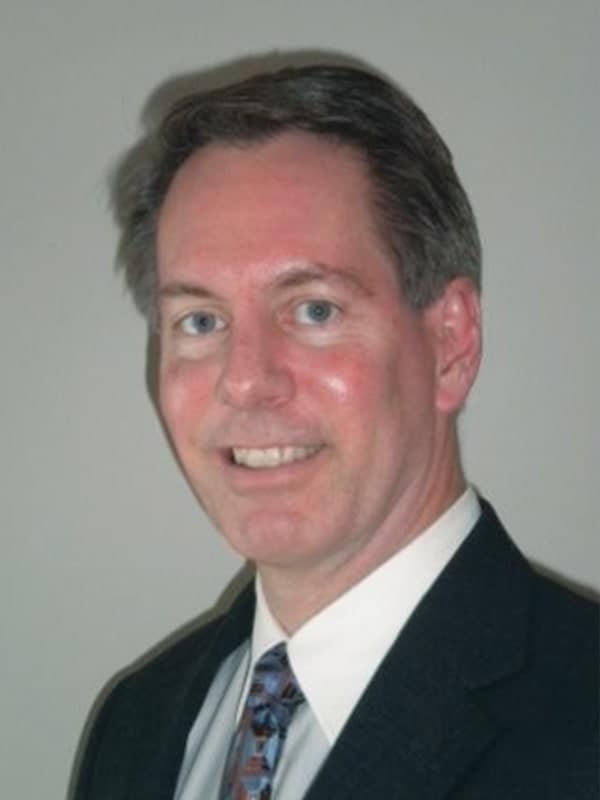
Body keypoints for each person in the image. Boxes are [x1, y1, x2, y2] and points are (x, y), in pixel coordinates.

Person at [72, 64, 598, 800]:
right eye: (200, 321)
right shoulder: (136, 721)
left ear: (450, 343)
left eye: (313, 309)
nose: (247, 378)